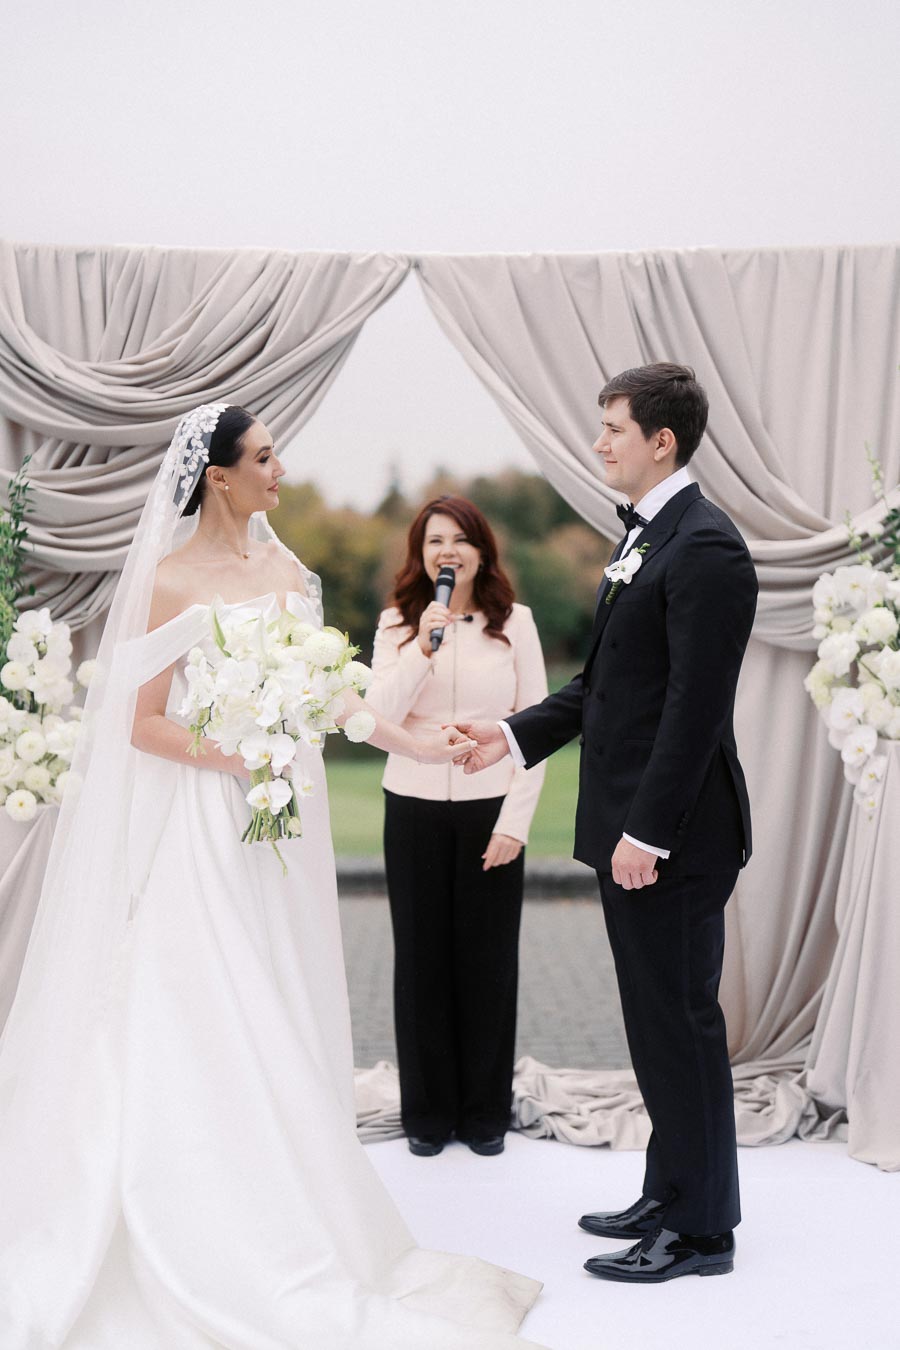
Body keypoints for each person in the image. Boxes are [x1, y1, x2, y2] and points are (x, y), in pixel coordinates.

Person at [0, 405, 546, 1348]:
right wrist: (240, 755)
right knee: (211, 1001)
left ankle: (288, 1197)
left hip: (283, 833)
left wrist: (413, 735)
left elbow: (335, 698)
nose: (280, 471)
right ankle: (199, 1215)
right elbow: (140, 723)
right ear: (218, 476)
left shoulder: (292, 572)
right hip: (212, 824)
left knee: (280, 995)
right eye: (264, 458)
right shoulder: (170, 582)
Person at [456, 364, 758, 1284]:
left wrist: (648, 833)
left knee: (681, 1024)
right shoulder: (650, 541)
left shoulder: (705, 547)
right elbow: (605, 689)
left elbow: (692, 710)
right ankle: (671, 1189)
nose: (600, 443)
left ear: (661, 441)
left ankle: (702, 1233)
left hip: (670, 839)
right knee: (656, 1024)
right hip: (633, 830)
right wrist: (509, 736)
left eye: (612, 428)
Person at [366, 496, 547, 1159]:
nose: (447, 549)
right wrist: (421, 645)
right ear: (420, 554)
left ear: (481, 550)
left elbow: (536, 727)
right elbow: (375, 714)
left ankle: (484, 1114)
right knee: (421, 962)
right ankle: (428, 1115)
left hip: (488, 808)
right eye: (434, 539)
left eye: (460, 538)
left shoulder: (514, 623)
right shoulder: (396, 624)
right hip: (410, 805)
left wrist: (515, 823)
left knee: (487, 962)